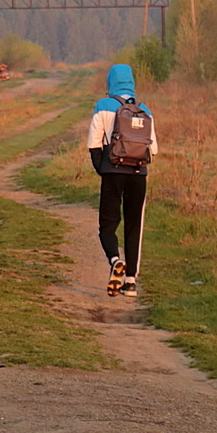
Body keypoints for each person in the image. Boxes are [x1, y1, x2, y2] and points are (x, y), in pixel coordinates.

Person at [87, 63, 156, 298]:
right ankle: (130, 282)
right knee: (134, 225)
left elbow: (94, 144)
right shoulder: (144, 109)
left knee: (108, 224)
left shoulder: (103, 106)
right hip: (138, 174)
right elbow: (153, 149)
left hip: (112, 171)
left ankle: (115, 260)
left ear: (110, 82)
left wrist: (103, 169)